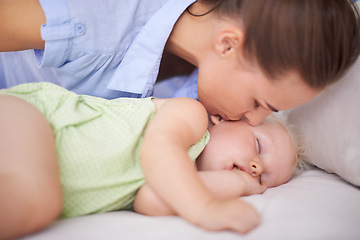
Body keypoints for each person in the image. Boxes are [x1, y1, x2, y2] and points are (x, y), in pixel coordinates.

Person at [0, 82, 305, 239]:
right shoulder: (191, 115)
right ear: (224, 119)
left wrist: (238, 183)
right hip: (35, 119)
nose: (256, 167)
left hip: (23, 160)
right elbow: (160, 151)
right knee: (36, 199)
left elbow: (150, 200)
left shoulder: (178, 182)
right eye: (258, 146)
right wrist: (205, 207)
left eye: (264, 178)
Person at [1, 0, 359, 126]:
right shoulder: (98, 21)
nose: (255, 120)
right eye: (259, 104)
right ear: (228, 44)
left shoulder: (198, 88)